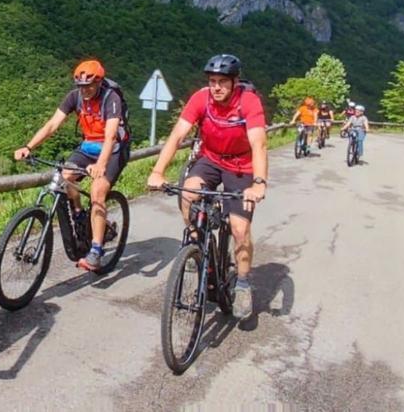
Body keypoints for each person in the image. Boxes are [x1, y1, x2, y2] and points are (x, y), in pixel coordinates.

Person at [146, 54, 269, 320]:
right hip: (210, 159)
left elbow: (259, 144)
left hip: (241, 166)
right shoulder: (201, 98)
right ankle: (194, 238)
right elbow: (178, 135)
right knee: (189, 192)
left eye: (222, 82)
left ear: (235, 82)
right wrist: (157, 171)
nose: (216, 87)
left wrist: (258, 183)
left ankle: (244, 283)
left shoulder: (248, 101)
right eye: (212, 81)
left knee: (239, 228)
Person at [15, 59, 131, 272]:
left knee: (97, 190)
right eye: (81, 86)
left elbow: (110, 136)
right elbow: (52, 125)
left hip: (114, 149)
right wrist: (28, 147)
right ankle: (78, 213)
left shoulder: (110, 98)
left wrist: (100, 166)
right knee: (63, 178)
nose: (85, 90)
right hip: (88, 146)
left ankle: (96, 251)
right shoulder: (74, 97)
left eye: (89, 86)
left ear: (99, 82)